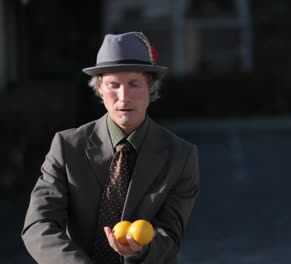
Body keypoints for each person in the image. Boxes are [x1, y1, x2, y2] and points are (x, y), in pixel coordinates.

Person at [22, 32, 200, 264]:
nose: (124, 97)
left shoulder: (181, 155)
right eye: (113, 85)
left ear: (151, 89)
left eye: (134, 84)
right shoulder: (66, 147)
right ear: (100, 90)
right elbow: (38, 225)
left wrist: (138, 252)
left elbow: (171, 236)